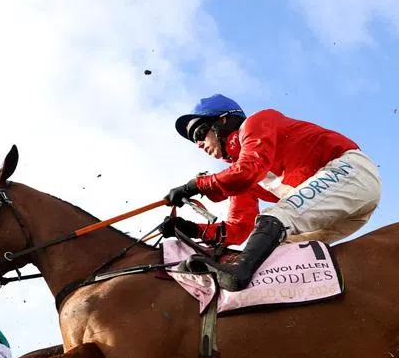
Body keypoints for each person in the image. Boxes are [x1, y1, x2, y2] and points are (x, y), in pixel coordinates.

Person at [162, 94, 382, 291]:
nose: (199, 144)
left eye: (200, 133)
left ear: (223, 120)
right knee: (273, 258)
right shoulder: (241, 176)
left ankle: (237, 274)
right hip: (343, 210)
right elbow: (238, 230)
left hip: (352, 172)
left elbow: (246, 172)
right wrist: (191, 229)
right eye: (194, 141)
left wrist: (195, 185)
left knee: (276, 216)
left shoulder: (257, 123)